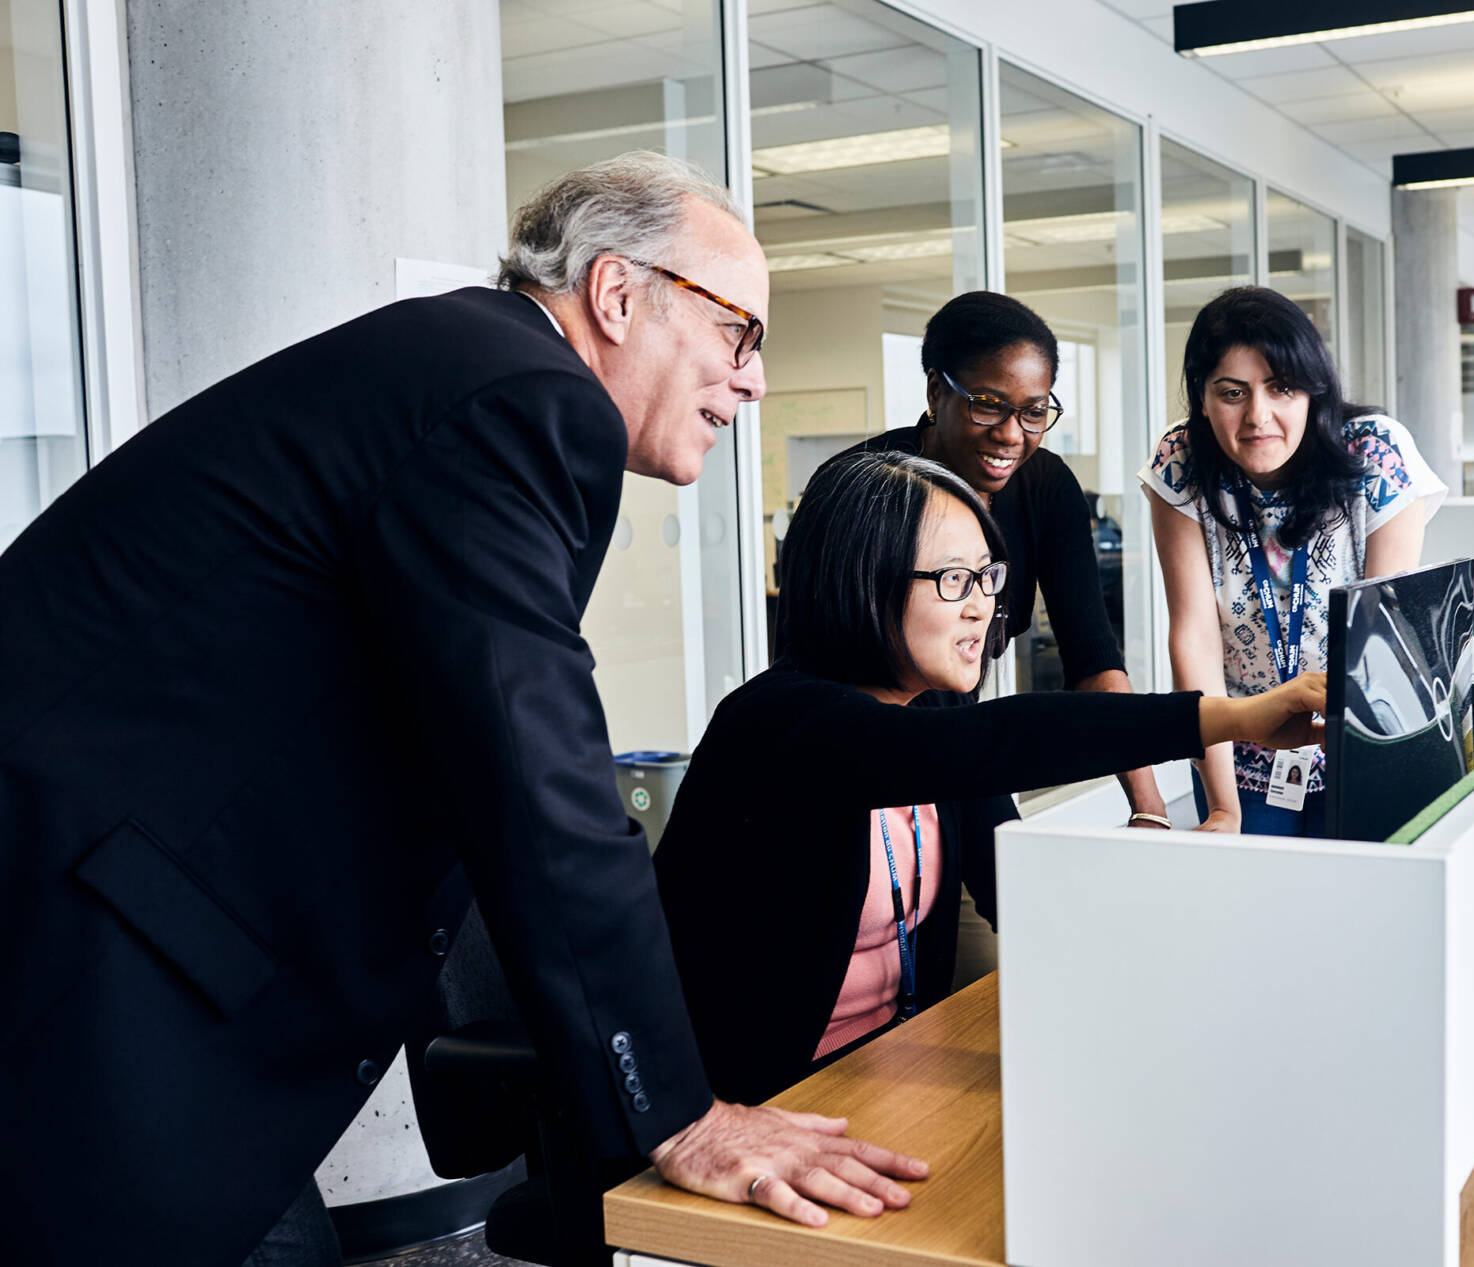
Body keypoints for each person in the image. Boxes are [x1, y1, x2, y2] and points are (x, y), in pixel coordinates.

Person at [0, 153, 921, 1267]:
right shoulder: (522, 400)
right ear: (618, 295)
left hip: (127, 952)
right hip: (98, 962)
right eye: (741, 332)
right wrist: (680, 1111)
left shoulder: (462, 370)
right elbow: (540, 776)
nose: (754, 381)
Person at [652, 451, 1327, 1104]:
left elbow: (1021, 891)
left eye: (987, 577)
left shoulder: (935, 708)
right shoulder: (779, 721)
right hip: (753, 1110)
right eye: (953, 580)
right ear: (865, 577)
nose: (981, 606)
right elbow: (1008, 740)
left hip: (898, 1081)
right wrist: (1237, 716)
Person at [837, 292, 1171, 831]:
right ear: (934, 391)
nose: (1012, 434)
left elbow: (1092, 659)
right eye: (988, 403)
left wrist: (1150, 807)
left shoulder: (1045, 485)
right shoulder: (867, 488)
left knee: (1013, 898)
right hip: (863, 754)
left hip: (967, 742)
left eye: (1034, 411)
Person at [1141, 286, 1447, 838]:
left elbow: (1385, 638)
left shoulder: (1373, 452)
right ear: (1202, 397)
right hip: (1243, 757)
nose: (1259, 416)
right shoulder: (1181, 461)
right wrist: (1222, 808)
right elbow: (1194, 636)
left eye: (1281, 388)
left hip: (1361, 748)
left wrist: (1385, 784)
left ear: (1313, 392)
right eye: (1232, 393)